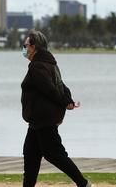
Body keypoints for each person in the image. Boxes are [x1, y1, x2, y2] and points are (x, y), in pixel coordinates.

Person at [20, 30, 92, 187]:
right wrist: (68, 100)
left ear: (33, 47)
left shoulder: (37, 66)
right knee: (31, 155)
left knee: (55, 155)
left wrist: (66, 102)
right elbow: (61, 86)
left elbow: (50, 89)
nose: (24, 49)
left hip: (43, 120)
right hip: (37, 121)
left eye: (25, 45)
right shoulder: (49, 63)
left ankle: (83, 184)